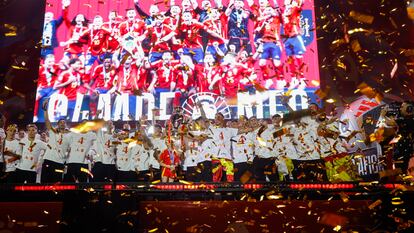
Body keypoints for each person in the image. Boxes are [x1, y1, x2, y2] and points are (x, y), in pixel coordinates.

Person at [40, 99, 70, 183]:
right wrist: (45, 110)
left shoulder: (70, 136)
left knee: (57, 185)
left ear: (66, 125)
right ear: (57, 124)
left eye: (64, 122)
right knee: (44, 183)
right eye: (60, 122)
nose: (62, 123)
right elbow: (47, 121)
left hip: (60, 162)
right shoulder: (53, 133)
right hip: (48, 160)